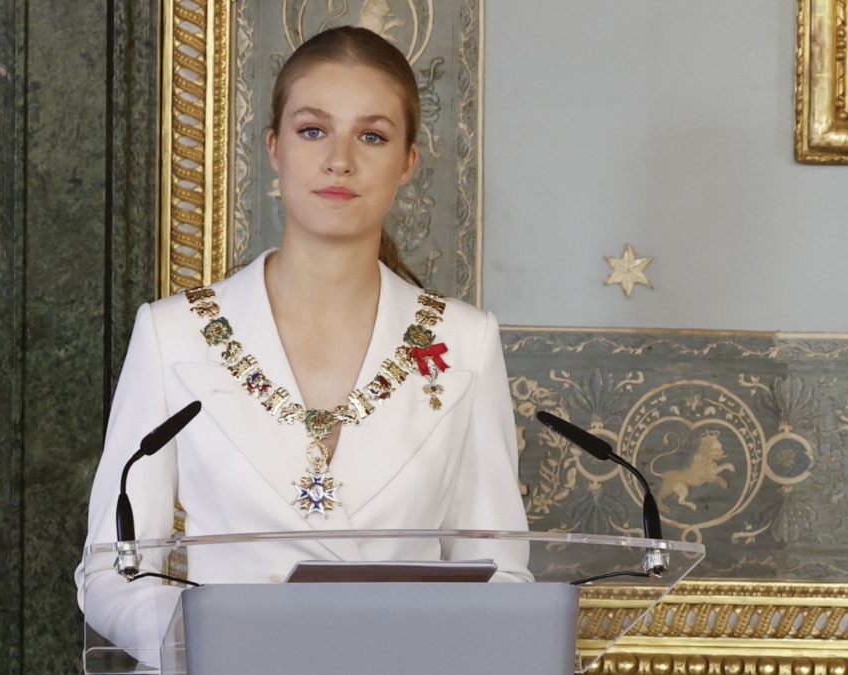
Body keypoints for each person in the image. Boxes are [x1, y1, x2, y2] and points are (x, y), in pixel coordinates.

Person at [75, 25, 531, 658]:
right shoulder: (172, 332)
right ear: (274, 148)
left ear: (407, 163)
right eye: (313, 130)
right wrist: (215, 642)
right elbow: (110, 570)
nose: (339, 158)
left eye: (371, 135)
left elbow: (501, 571)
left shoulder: (466, 341)